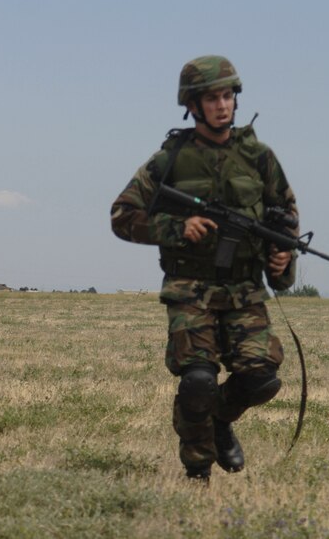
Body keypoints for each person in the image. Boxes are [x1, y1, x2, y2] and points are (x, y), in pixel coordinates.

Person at [110, 55, 298, 480]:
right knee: (198, 380)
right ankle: (197, 472)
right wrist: (177, 227)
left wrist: (283, 261)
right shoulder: (169, 161)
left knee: (262, 380)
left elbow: (284, 217)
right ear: (193, 105)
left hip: (245, 290)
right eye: (212, 97)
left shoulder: (259, 158)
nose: (222, 105)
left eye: (228, 95)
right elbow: (122, 216)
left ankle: (220, 422)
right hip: (190, 287)